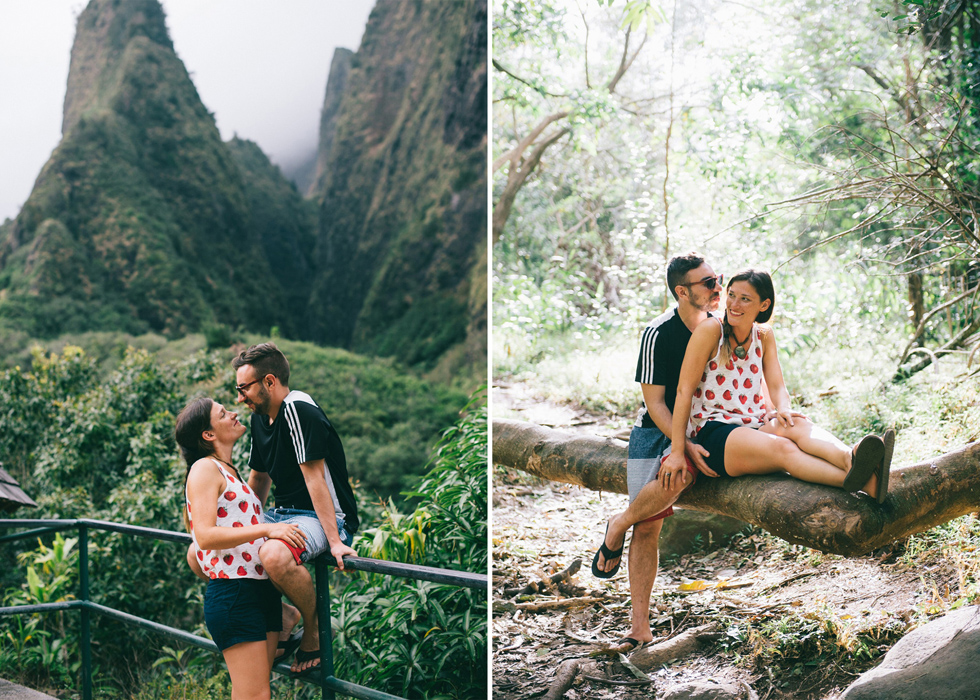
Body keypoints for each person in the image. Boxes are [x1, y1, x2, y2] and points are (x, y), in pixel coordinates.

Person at [187, 342, 359, 675]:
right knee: (197, 552)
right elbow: (258, 483)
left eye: (243, 389)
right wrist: (242, 528)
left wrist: (335, 541)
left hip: (323, 517)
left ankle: (314, 628)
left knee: (274, 555)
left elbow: (315, 480)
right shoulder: (259, 420)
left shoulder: (297, 409)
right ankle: (283, 614)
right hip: (281, 514)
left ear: (269, 382)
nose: (239, 399)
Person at [660, 268, 893, 500]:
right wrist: (678, 451)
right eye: (731, 295)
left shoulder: (763, 334)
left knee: (796, 425)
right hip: (714, 432)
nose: (733, 304)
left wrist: (783, 409)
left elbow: (777, 386)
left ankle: (850, 458)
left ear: (763, 305)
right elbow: (684, 391)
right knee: (783, 448)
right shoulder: (711, 331)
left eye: (745, 299)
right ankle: (867, 482)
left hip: (755, 423)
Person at [591, 253, 725, 650]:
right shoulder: (658, 333)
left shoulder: (720, 327)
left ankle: (619, 522)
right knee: (648, 525)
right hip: (657, 430)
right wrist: (681, 446)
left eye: (718, 280)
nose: (717, 288)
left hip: (708, 426)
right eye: (708, 283)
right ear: (682, 292)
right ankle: (639, 629)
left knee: (676, 477)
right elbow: (656, 405)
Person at [176, 396, 308, 700]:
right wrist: (268, 527)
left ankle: (288, 615)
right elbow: (205, 536)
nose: (234, 413)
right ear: (208, 435)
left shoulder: (230, 471)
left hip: (261, 591)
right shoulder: (204, 469)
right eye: (223, 413)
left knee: (261, 694)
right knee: (254, 696)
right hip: (234, 594)